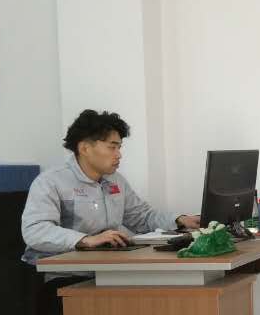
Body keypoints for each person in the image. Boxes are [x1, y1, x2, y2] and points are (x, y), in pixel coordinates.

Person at [22, 109, 199, 261]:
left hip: (104, 265)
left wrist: (179, 220)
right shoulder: (51, 181)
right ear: (84, 148)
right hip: (61, 272)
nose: (119, 155)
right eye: (112, 147)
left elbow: (141, 217)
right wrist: (85, 240)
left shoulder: (115, 180)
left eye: (119, 147)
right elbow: (35, 231)